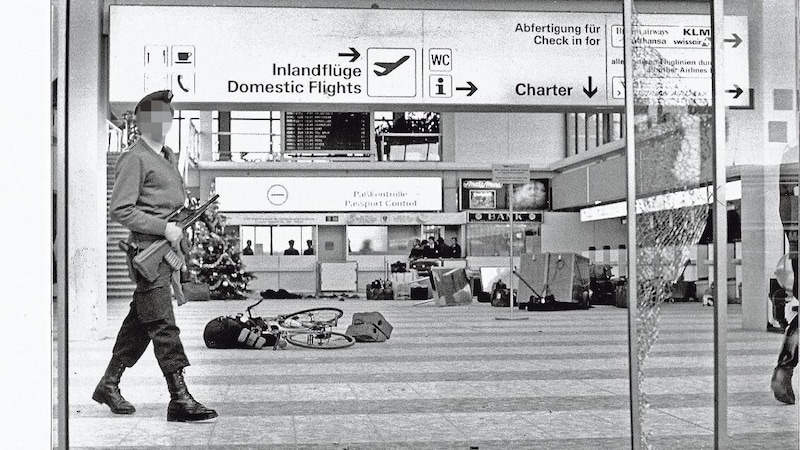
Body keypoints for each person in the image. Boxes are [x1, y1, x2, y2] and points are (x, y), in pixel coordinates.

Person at [96, 90, 217, 422]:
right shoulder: (133, 157)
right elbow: (121, 209)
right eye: (158, 116)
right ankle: (179, 397)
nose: (165, 122)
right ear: (141, 121)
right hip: (148, 253)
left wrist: (187, 215)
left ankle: (109, 384)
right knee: (163, 324)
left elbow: (167, 202)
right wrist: (163, 228)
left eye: (168, 116)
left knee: (140, 323)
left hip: (166, 254)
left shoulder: (167, 155)